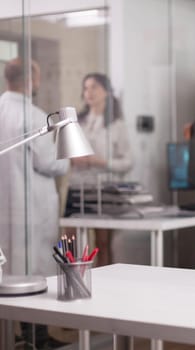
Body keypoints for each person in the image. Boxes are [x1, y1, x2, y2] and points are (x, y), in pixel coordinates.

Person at [0, 57, 70, 277]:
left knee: (8, 270)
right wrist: (67, 157)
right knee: (36, 273)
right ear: (31, 80)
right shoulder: (34, 115)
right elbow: (50, 163)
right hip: (31, 210)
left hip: (5, 209)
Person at [66, 73, 133, 266]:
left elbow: (128, 162)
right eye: (86, 88)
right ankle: (72, 284)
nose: (89, 92)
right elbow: (64, 151)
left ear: (106, 91)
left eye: (94, 87)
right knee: (69, 241)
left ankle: (105, 286)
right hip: (77, 188)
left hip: (103, 190)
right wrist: (72, 159)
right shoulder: (77, 122)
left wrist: (100, 161)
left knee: (102, 243)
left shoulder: (117, 125)